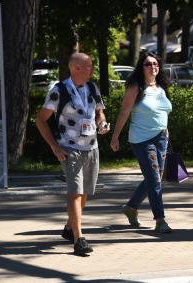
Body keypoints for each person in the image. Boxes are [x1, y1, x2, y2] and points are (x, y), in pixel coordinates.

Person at [36, 52, 110, 256]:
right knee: (75, 192)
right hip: (69, 148)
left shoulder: (92, 88)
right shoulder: (59, 90)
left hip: (91, 147)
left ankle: (70, 228)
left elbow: (99, 111)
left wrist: (102, 122)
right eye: (88, 66)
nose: (91, 69)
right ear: (75, 68)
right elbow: (40, 120)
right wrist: (54, 146)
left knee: (85, 192)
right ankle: (79, 239)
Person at [110, 52, 172, 233]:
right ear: (141, 67)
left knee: (154, 179)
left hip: (161, 138)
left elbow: (163, 112)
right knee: (154, 180)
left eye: (155, 63)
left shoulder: (161, 87)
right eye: (148, 64)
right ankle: (160, 220)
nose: (153, 66)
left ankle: (131, 207)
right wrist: (115, 136)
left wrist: (166, 133)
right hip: (142, 139)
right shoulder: (136, 87)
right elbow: (124, 112)